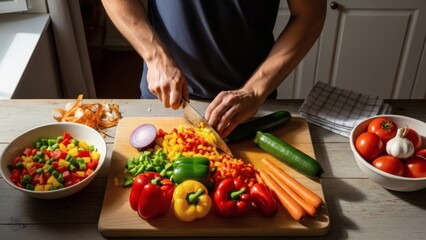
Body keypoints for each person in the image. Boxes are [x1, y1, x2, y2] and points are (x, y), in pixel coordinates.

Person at [101, 0, 326, 137]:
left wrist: (254, 91)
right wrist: (155, 57)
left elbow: (310, 13)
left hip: (247, 111)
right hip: (164, 102)